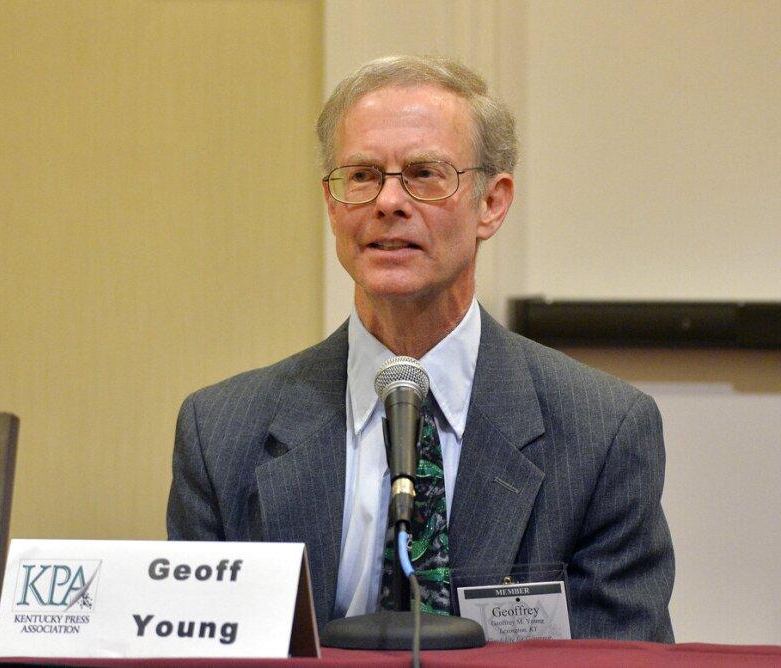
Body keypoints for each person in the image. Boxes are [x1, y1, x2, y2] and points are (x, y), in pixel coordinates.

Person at [167, 55, 674, 641]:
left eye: (424, 173)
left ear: (492, 204)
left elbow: (620, 657)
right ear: (333, 206)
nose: (387, 201)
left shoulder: (602, 432)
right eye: (360, 176)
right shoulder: (221, 431)